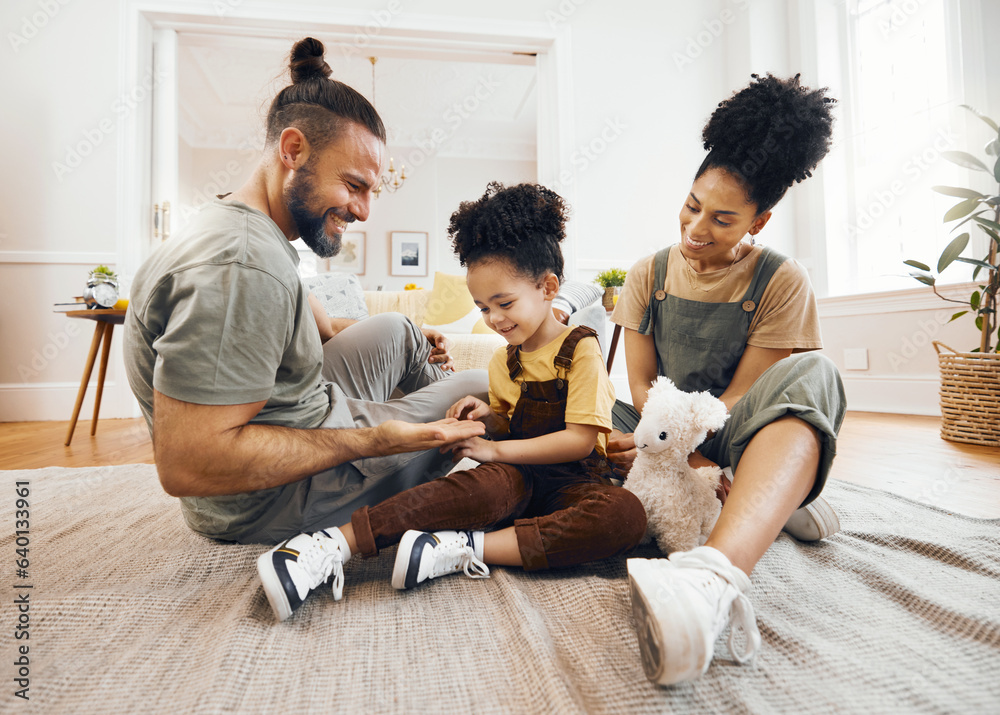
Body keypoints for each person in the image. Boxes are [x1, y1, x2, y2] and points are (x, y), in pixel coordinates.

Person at [123, 37, 488, 547]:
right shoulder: (242, 266)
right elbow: (191, 466)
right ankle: (466, 458)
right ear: (293, 150)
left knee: (402, 330)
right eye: (354, 185)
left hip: (305, 415)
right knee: (488, 383)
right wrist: (377, 440)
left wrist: (392, 336)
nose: (364, 211)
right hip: (274, 495)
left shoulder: (246, 230)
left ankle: (440, 443)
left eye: (370, 192)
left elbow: (320, 328)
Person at [256, 182, 648, 622]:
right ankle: (332, 545)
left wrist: (496, 448)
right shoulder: (504, 361)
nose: (495, 319)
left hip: (575, 480)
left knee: (624, 516)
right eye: (483, 308)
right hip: (518, 476)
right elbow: (511, 420)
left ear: (548, 286)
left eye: (504, 303)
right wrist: (490, 419)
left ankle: (462, 547)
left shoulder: (581, 350)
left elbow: (578, 440)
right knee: (467, 489)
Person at [610, 74, 847, 685]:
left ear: (758, 222)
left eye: (721, 219)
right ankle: (778, 494)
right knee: (591, 425)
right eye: (692, 205)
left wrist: (701, 453)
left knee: (815, 375)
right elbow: (639, 386)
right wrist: (671, 450)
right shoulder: (648, 274)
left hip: (725, 423)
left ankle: (711, 580)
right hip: (657, 422)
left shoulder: (782, 281)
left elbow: (743, 396)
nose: (695, 228)